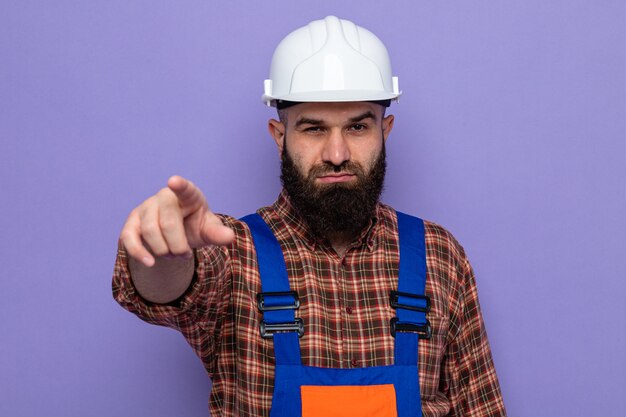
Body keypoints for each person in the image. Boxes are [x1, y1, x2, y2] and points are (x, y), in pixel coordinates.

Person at [113, 16, 507, 417]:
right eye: (314, 129)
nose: (337, 154)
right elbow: (165, 291)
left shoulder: (439, 255)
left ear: (385, 130)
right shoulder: (233, 252)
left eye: (357, 127)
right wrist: (165, 250)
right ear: (279, 135)